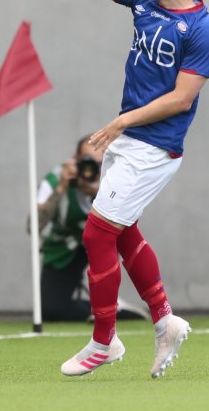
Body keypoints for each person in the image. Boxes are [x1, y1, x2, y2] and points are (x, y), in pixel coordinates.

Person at [11, 0, 209, 378]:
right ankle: (165, 320)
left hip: (156, 149)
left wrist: (123, 120)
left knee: (97, 235)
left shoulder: (203, 31)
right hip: (128, 142)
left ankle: (104, 340)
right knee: (122, 233)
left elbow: (182, 99)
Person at [30, 135, 148, 322]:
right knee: (50, 311)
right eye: (87, 162)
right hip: (63, 248)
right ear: (75, 159)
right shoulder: (55, 179)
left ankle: (109, 303)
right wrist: (60, 189)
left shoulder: (114, 179)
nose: (91, 169)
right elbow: (33, 226)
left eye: (99, 163)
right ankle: (101, 308)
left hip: (100, 242)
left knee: (110, 235)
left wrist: (97, 192)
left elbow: (127, 223)